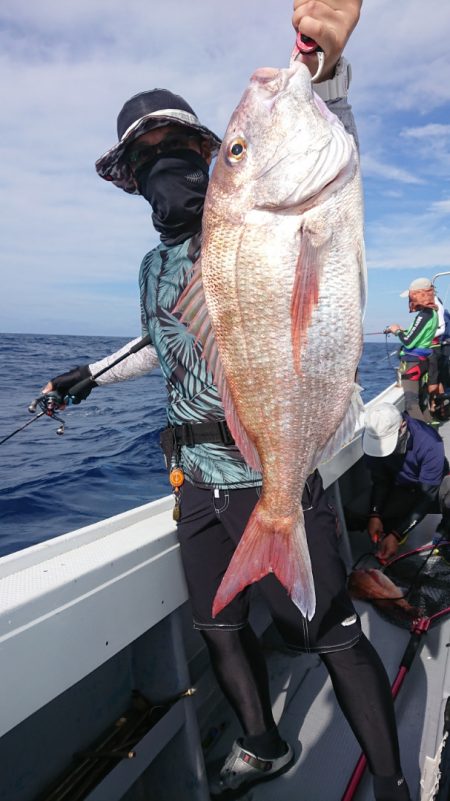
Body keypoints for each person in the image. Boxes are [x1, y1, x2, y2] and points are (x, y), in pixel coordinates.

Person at [40, 3, 411, 799]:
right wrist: (90, 376)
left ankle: (389, 781)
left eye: (176, 148)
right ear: (131, 179)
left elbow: (317, 160)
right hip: (196, 484)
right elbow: (162, 344)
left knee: (326, 630)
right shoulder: (151, 268)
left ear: (205, 156)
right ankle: (263, 740)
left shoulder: (236, 226)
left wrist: (326, 67)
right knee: (216, 622)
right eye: (146, 159)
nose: (161, 166)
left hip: (268, 460)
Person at [362, 402, 448, 563]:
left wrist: (397, 534)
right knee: (356, 514)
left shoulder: (430, 443)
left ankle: (444, 534)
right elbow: (381, 481)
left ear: (403, 426)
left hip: (431, 487)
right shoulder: (372, 436)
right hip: (402, 486)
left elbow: (427, 496)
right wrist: (375, 514)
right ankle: (391, 530)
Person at [385, 277, 439, 424]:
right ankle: (431, 433)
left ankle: (423, 437)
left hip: (413, 363)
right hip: (423, 361)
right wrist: (403, 330)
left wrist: (396, 331)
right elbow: (418, 334)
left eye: (410, 296)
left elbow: (408, 341)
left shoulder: (424, 315)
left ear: (418, 295)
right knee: (422, 401)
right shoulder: (431, 313)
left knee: (411, 403)